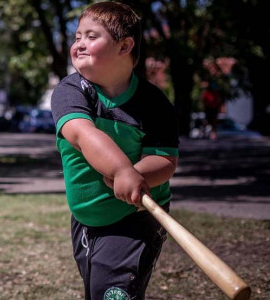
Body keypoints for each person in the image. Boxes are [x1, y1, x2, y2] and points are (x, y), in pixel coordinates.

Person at [50, 2, 179, 300]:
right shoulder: (71, 91)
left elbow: (165, 159)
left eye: (91, 36)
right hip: (87, 218)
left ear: (125, 46)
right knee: (98, 290)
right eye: (77, 36)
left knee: (114, 293)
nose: (79, 44)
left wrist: (134, 175)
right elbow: (83, 133)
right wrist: (120, 170)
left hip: (137, 215)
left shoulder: (154, 103)